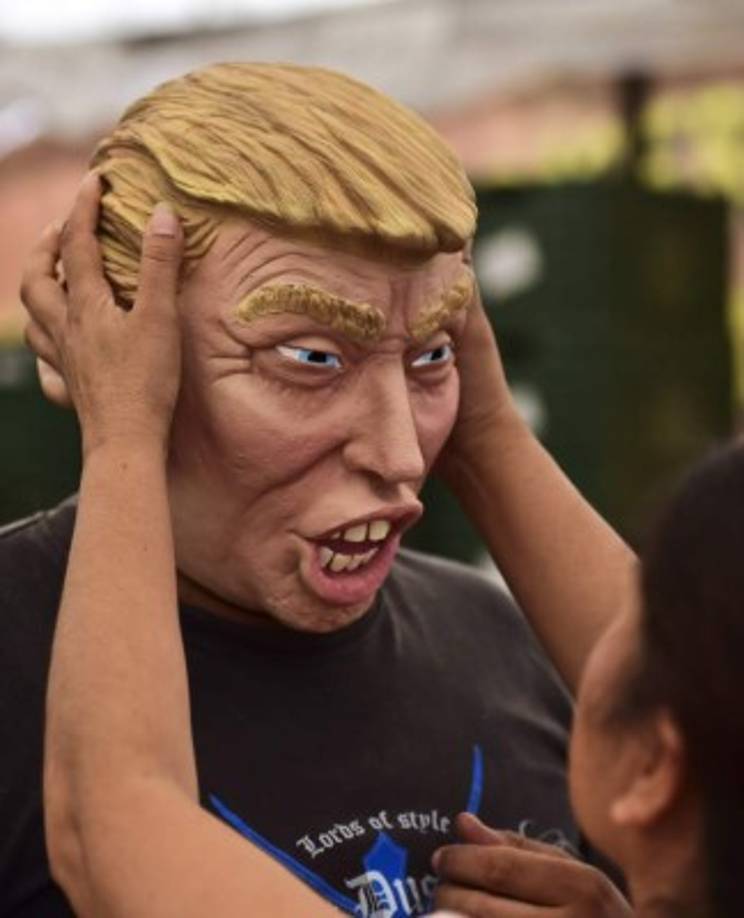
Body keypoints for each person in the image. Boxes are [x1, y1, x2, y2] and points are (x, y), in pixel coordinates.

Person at [6, 62, 633, 917]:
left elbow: (119, 820)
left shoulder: (508, 643)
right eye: (311, 359)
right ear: (114, 341)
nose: (402, 453)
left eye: (434, 355)